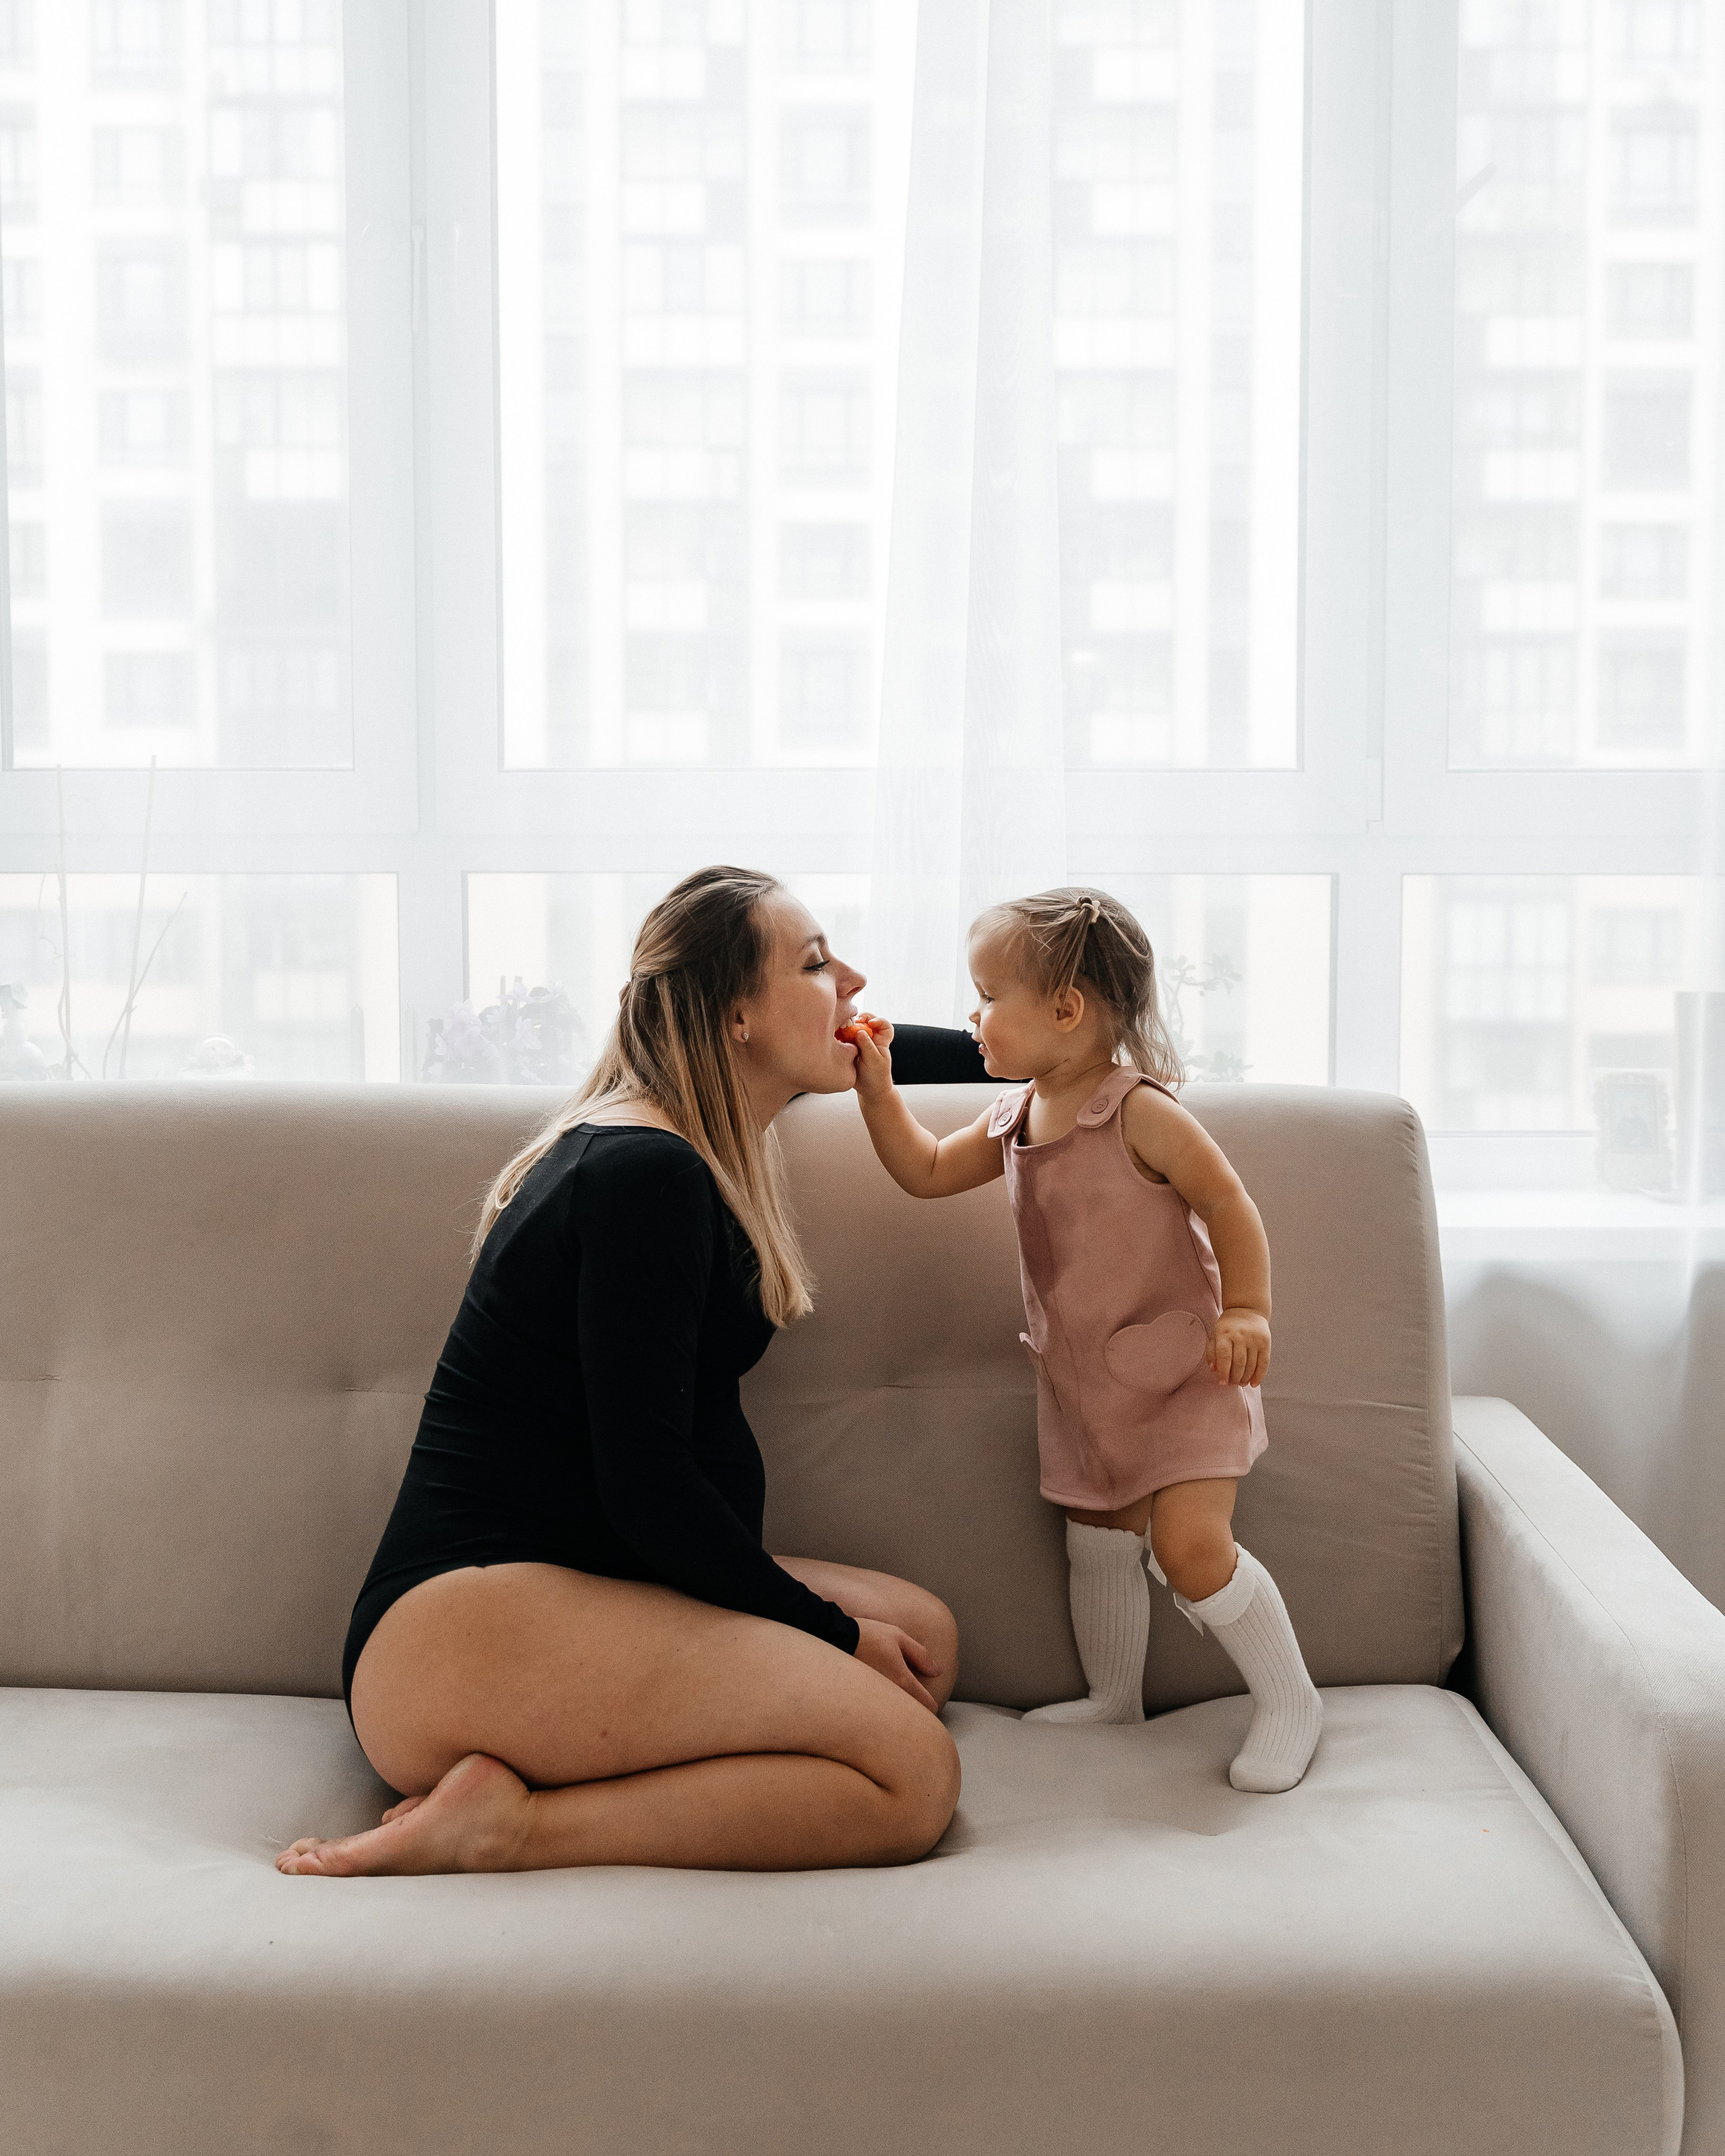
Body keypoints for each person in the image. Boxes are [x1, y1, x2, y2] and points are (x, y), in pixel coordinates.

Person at [277, 867, 962, 1877]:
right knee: (911, 1776)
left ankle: (552, 1766)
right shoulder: (644, 1175)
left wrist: (1083, 1057)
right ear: (736, 1015)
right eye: (816, 964)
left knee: (925, 1637)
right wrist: (829, 1634)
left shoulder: (677, 1149)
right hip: (460, 1632)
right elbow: (645, 1485)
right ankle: (509, 1827)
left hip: (580, 1579)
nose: (853, 981)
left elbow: (935, 1048)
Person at [846, 887, 1323, 1794]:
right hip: (1085, 1386)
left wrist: (1249, 1312)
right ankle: (1116, 1698)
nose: (974, 1018)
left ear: (1065, 1009)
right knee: (1098, 1534)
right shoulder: (1019, 1113)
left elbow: (1229, 1204)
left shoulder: (1138, 1111)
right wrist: (877, 1090)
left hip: (1185, 1373)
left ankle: (1290, 1699)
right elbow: (927, 1171)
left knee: (1189, 1550)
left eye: (987, 998)